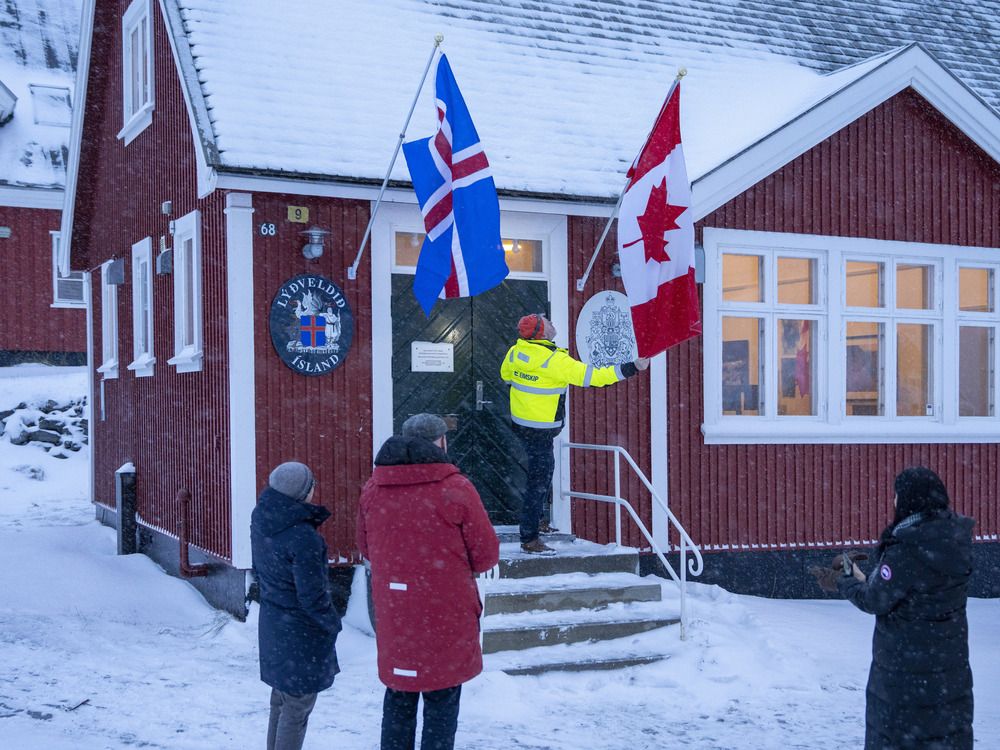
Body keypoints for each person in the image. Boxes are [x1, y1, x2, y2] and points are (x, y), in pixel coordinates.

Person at [357, 413, 499, 750]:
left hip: (397, 611)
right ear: (441, 442)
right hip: (446, 612)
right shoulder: (455, 488)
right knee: (442, 697)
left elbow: (366, 548)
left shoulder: (374, 489)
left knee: (399, 695)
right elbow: (485, 554)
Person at [831, 467, 974, 749]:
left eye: (896, 495)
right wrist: (868, 577)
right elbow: (913, 589)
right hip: (949, 671)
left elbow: (874, 600)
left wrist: (846, 580)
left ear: (909, 499)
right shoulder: (955, 540)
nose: (894, 501)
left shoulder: (906, 548)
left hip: (905, 677)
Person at [500, 313, 649, 554]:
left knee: (539, 476)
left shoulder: (515, 352)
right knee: (538, 481)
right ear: (543, 332)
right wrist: (632, 367)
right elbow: (596, 378)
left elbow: (506, 376)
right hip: (542, 430)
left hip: (522, 426)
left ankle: (536, 521)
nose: (550, 319)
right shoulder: (555, 361)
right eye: (545, 320)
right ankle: (529, 538)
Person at [251, 461, 342, 750]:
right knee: (297, 707)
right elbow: (312, 596)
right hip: (300, 632)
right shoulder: (304, 537)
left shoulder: (263, 518)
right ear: (304, 493)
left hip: (274, 624)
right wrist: (331, 623)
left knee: (281, 699)